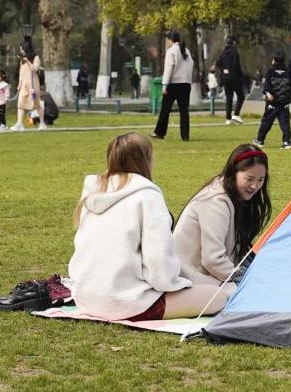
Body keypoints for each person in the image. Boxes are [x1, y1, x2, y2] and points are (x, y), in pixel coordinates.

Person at [68, 133, 231, 320]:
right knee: (217, 296)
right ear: (146, 159)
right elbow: (158, 261)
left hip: (85, 296)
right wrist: (175, 284)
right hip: (124, 302)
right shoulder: (147, 196)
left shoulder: (93, 193)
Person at [173, 143, 271, 290]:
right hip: (192, 276)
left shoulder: (235, 196)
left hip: (214, 272)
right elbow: (213, 259)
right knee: (260, 288)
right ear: (234, 173)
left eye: (260, 180)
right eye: (249, 179)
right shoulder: (215, 202)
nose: (254, 186)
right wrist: (242, 277)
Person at [152, 30, 193, 141]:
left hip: (173, 84)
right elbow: (191, 66)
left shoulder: (171, 51)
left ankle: (159, 132)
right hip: (186, 84)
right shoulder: (187, 51)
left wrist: (165, 85)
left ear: (170, 40)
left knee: (165, 109)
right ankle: (185, 135)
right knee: (184, 111)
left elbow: (169, 69)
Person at [252, 52, 291, 150]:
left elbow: (267, 86)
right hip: (284, 102)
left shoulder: (271, 71)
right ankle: (286, 142)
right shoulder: (289, 71)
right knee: (285, 122)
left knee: (267, 121)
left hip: (273, 103)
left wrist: (268, 93)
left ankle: (260, 140)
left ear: (274, 60)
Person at [11, 37, 45, 131]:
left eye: (22, 49)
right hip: (24, 85)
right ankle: (19, 123)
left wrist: (28, 62)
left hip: (33, 84)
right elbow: (21, 73)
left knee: (36, 104)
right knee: (20, 103)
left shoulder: (36, 58)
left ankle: (42, 123)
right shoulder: (22, 60)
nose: (21, 51)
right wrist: (19, 83)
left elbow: (35, 69)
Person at [215, 37, 245, 126]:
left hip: (226, 78)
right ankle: (236, 114)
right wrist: (241, 76)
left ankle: (228, 118)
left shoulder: (223, 52)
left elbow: (218, 63)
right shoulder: (234, 52)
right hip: (234, 77)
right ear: (234, 43)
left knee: (229, 98)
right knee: (241, 96)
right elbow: (236, 65)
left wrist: (223, 69)